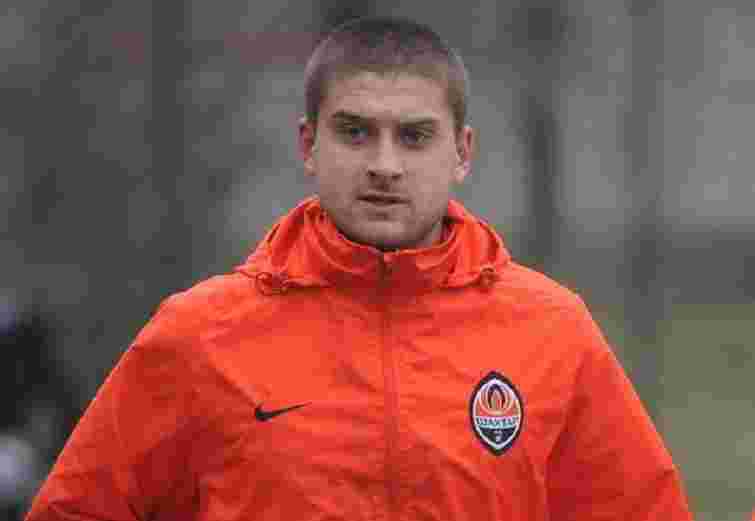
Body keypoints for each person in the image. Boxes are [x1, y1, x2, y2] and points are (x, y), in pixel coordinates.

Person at [26, 16, 693, 521]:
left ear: (461, 153)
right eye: (354, 132)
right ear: (307, 144)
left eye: (414, 136)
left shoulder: (552, 332)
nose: (384, 164)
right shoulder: (199, 336)